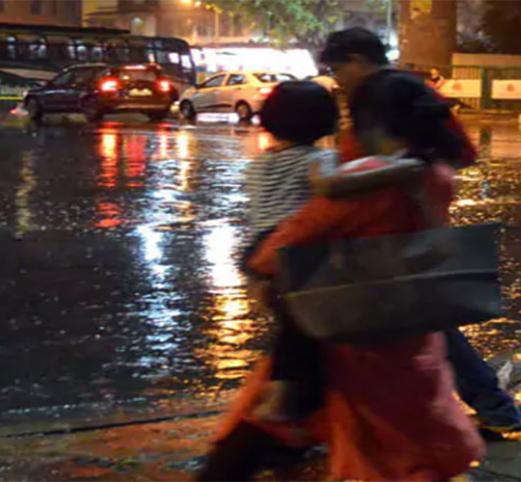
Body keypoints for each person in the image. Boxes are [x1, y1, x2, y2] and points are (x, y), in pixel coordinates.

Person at [199, 69, 485, 482]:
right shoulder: (436, 173)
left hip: (341, 330)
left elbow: (287, 243)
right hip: (404, 332)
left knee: (271, 423)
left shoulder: (364, 182)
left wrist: (260, 267)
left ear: (370, 121)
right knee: (407, 445)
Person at [318, 27, 520, 433]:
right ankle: (488, 411)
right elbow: (458, 154)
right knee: (425, 325)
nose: (337, 79)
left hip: (390, 234)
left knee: (389, 328)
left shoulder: (377, 97)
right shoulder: (415, 88)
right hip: (418, 228)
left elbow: (357, 169)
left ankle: (482, 412)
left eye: (338, 68)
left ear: (358, 59)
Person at [241, 81, 338, 422]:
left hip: (258, 250)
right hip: (293, 250)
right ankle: (281, 396)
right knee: (303, 328)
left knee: (291, 324)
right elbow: (332, 197)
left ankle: (280, 394)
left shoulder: (258, 164)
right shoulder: (322, 161)